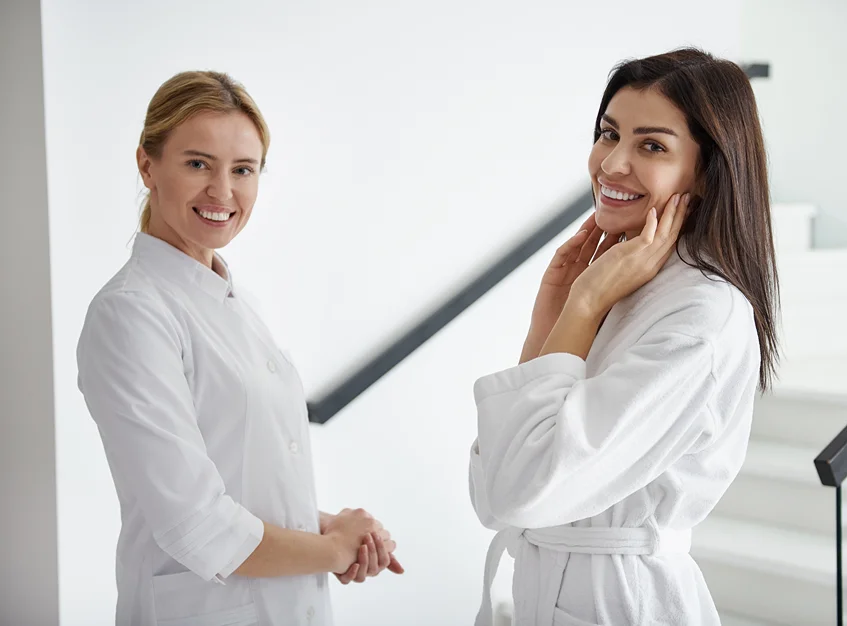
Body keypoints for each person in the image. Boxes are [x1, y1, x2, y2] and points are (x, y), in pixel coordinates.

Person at [76, 70, 402, 626]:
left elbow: (238, 485)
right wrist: (335, 550)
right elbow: (196, 524)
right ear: (147, 165)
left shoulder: (233, 301)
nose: (223, 192)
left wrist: (327, 525)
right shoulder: (130, 314)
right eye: (198, 163)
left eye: (243, 169)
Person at [469, 48, 779, 626]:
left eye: (652, 146)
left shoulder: (702, 316)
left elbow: (518, 490)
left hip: (622, 603)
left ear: (709, 171)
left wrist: (582, 305)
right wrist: (552, 316)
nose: (611, 164)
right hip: (546, 588)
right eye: (609, 134)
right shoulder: (621, 280)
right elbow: (492, 494)